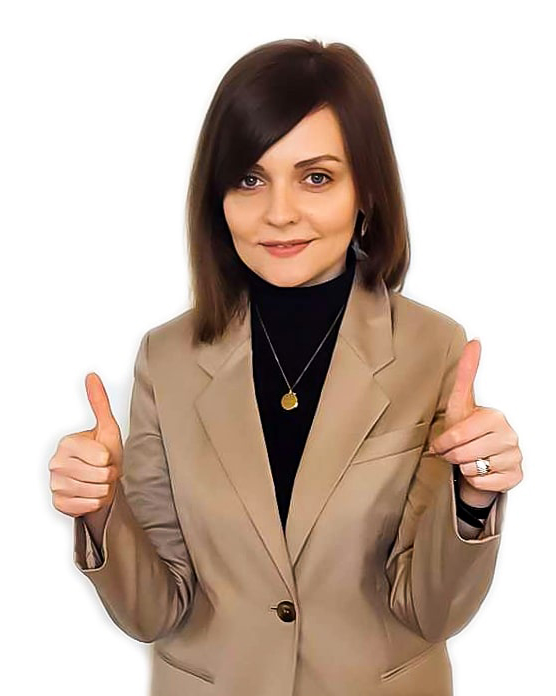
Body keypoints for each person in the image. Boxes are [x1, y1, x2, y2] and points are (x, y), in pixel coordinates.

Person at [49, 38, 523, 696]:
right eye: (249, 178)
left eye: (316, 177)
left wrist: (472, 498)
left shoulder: (432, 348)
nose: (278, 213)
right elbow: (155, 613)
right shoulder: (167, 358)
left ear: (367, 190)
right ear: (217, 197)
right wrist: (103, 510)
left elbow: (431, 612)